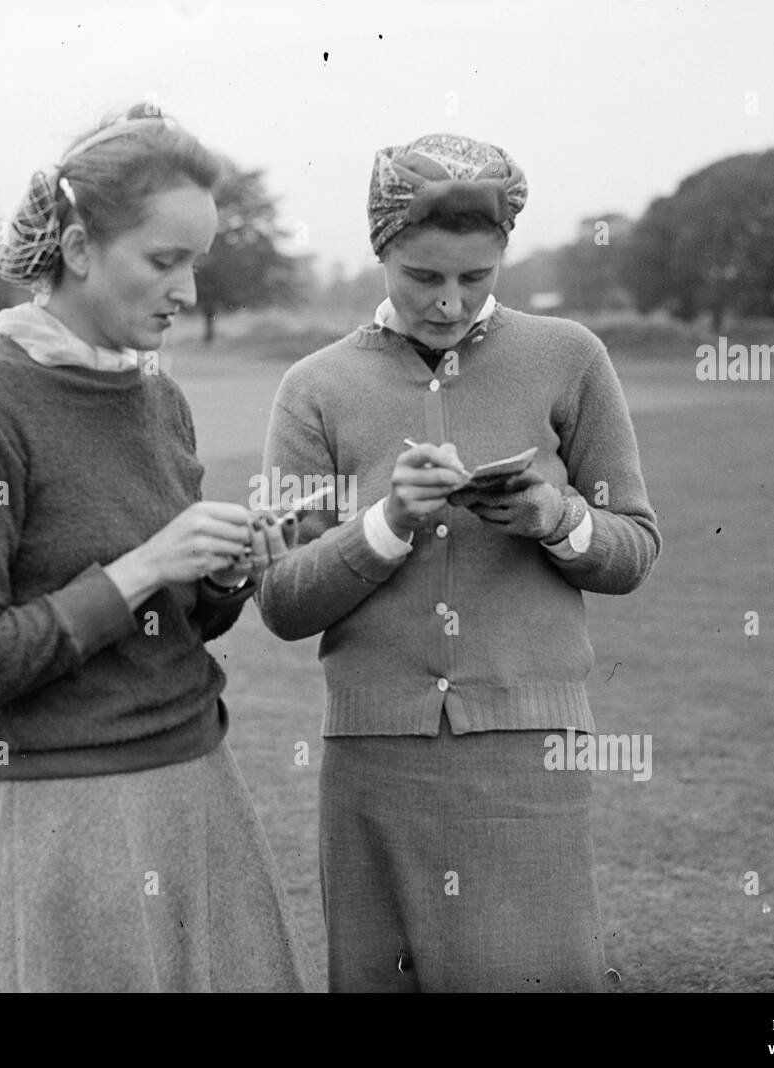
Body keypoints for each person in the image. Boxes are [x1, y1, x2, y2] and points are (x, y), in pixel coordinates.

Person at [0, 104, 317, 992]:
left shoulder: (158, 398)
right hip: (68, 819)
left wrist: (224, 573)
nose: (188, 291)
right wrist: (142, 568)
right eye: (165, 260)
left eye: (195, 262)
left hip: (203, 788)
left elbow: (177, 625)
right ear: (81, 247)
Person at [256, 132, 661, 992]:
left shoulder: (570, 356)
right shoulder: (314, 387)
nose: (449, 303)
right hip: (375, 752)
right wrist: (388, 522)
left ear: (504, 254)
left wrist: (556, 517)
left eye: (476, 278)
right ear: (382, 253)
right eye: (423, 278)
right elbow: (284, 599)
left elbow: (635, 547)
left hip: (529, 753)